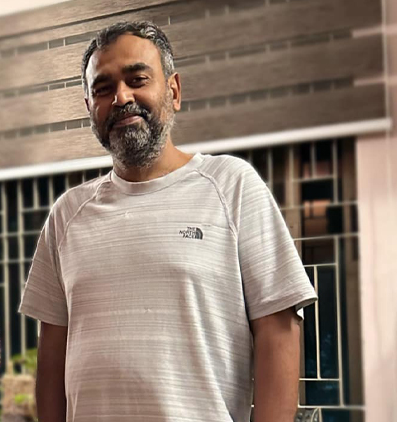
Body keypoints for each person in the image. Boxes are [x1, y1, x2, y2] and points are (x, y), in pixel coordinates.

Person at [19, 21, 317, 422]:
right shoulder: (67, 214)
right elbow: (52, 360)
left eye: (137, 80)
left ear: (173, 91)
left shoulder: (232, 186)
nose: (121, 97)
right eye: (103, 89)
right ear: (90, 106)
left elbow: (278, 330)